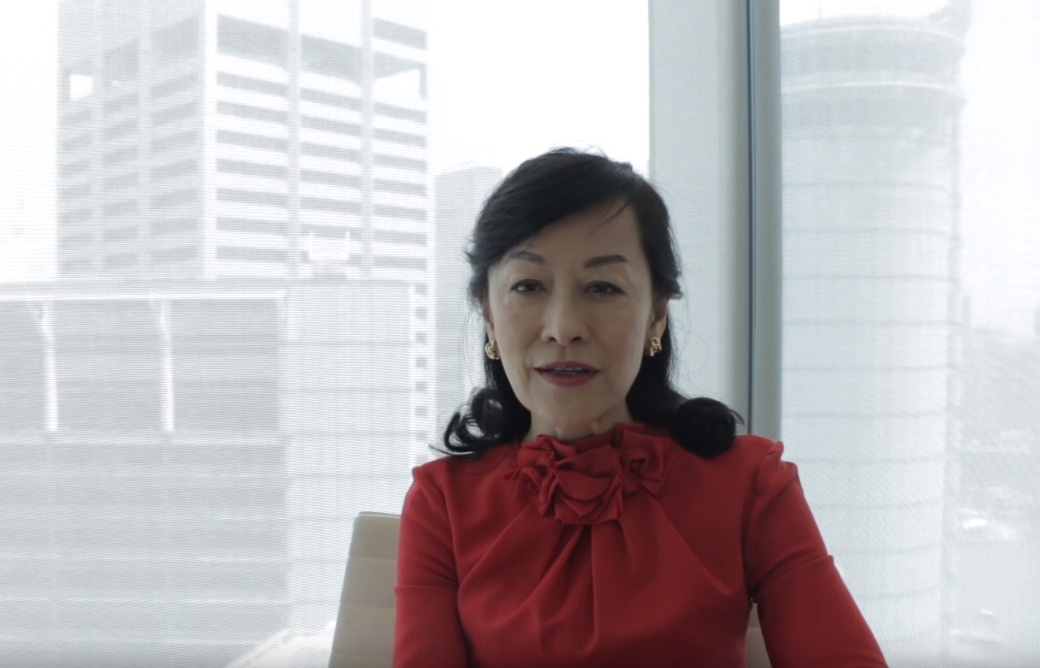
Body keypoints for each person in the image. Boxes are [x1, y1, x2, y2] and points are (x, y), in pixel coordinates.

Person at [392, 148, 886, 667]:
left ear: (656, 315)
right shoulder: (443, 504)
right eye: (528, 286)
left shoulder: (752, 487)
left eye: (602, 287)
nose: (564, 327)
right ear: (489, 315)